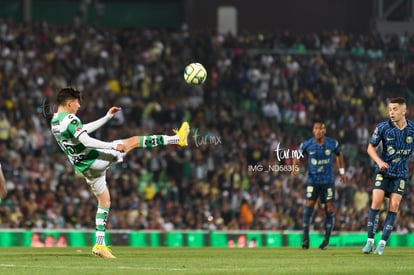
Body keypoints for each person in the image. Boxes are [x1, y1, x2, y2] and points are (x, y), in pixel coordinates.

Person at [50, 87, 190, 258]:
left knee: (104, 200)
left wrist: (107, 117)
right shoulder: (71, 119)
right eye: (77, 103)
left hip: (85, 167)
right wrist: (112, 146)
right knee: (133, 141)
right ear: (70, 103)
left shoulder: (56, 121)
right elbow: (85, 140)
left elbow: (82, 129)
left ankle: (99, 245)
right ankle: (177, 139)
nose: (79, 106)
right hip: (95, 159)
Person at [362, 97, 414, 255]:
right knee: (376, 201)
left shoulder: (412, 129)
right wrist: (378, 161)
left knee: (394, 205)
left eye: (395, 109)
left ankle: (383, 242)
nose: (392, 112)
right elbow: (370, 148)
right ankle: (370, 241)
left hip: (400, 174)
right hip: (384, 171)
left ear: (404, 111)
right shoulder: (383, 127)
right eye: (390, 109)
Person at [291, 120, 346, 250]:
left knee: (329, 208)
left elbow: (339, 155)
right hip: (313, 181)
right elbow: (297, 155)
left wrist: (342, 171)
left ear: (324, 130)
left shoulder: (332, 143)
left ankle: (326, 240)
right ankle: (305, 239)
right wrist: (295, 167)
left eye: (321, 128)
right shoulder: (307, 144)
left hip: (328, 181)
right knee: (309, 205)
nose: (318, 131)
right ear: (313, 130)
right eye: (316, 128)